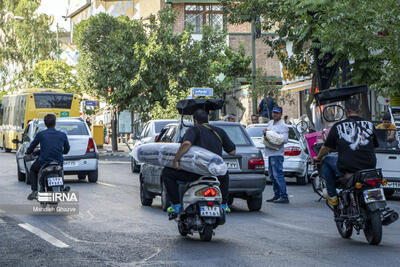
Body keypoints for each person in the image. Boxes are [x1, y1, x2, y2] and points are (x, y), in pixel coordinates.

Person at [162, 109, 236, 214]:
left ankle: (176, 205)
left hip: (194, 174)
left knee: (167, 173)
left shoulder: (194, 130)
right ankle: (224, 205)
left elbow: (186, 144)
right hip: (215, 174)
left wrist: (176, 160)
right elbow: (232, 151)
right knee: (224, 172)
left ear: (195, 120)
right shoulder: (219, 131)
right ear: (207, 120)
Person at [313, 98, 379, 206]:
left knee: (326, 159)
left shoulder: (337, 126)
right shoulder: (370, 125)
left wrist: (318, 157)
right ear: (359, 110)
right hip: (369, 167)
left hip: (348, 167)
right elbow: (374, 146)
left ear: (345, 110)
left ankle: (332, 195)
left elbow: (326, 148)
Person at [26, 114, 70, 200]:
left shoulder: (41, 134)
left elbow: (31, 147)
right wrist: (62, 152)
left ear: (45, 124)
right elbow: (67, 149)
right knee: (60, 171)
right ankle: (62, 188)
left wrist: (28, 152)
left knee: (33, 169)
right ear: (55, 123)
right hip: (58, 161)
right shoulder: (62, 135)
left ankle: (34, 191)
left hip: (44, 162)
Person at [264, 107, 290, 204]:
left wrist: (273, 136)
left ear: (281, 114)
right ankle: (277, 195)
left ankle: (284, 196)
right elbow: (266, 135)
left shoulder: (283, 126)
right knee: (272, 175)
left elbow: (285, 139)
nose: (275, 114)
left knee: (278, 175)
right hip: (270, 153)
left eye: (277, 113)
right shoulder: (270, 123)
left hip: (277, 153)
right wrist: (265, 134)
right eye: (274, 112)